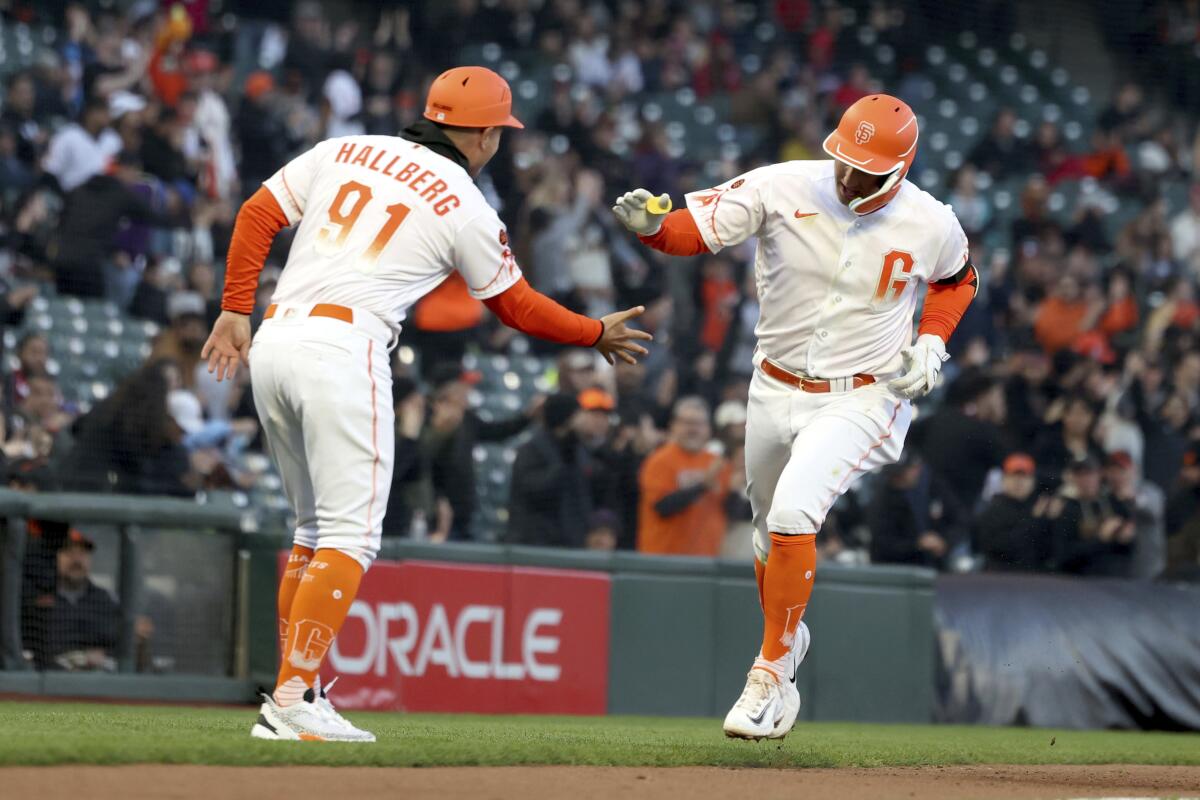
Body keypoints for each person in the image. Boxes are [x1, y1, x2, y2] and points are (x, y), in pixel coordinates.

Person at [201, 66, 652, 742]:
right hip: (343, 348)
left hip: (276, 337)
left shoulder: (346, 148)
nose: (500, 141)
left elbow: (257, 213)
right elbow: (515, 306)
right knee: (350, 537)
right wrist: (593, 331)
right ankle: (293, 697)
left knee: (312, 532)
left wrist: (236, 307)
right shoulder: (466, 202)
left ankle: (300, 690)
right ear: (482, 134)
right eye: (499, 130)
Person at [614, 94, 977, 739]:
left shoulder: (932, 221)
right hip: (772, 385)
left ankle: (769, 672)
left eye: (868, 168)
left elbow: (958, 279)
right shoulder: (783, 183)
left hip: (864, 393)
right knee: (765, 537)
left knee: (792, 514)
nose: (849, 176)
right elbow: (695, 228)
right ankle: (787, 642)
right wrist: (650, 227)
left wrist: (932, 340)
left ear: (901, 168)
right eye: (844, 158)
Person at [637, 396, 732, 557]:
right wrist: (702, 485)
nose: (693, 429)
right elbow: (663, 507)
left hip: (707, 561)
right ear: (673, 426)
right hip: (663, 560)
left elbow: (729, 510)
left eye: (699, 424)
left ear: (708, 429)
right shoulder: (659, 461)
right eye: (687, 423)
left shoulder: (718, 463)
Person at [21, 530, 120, 671]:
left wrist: (99, 655)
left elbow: (120, 646)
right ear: (54, 558)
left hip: (97, 679)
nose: (77, 560)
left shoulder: (105, 599)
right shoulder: (35, 597)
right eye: (69, 553)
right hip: (47, 679)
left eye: (82, 554)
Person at [505, 393, 592, 547]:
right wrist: (562, 467)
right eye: (579, 413)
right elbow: (534, 491)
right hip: (536, 544)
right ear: (567, 418)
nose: (585, 418)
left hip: (571, 542)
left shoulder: (578, 448)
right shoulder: (531, 451)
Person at [973, 453, 1053, 572]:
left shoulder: (1041, 509)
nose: (1019, 482)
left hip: (1035, 578)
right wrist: (1034, 521)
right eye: (1014, 477)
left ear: (1033, 481)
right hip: (1001, 577)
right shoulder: (992, 510)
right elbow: (1001, 548)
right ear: (1003, 480)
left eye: (1024, 477)